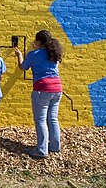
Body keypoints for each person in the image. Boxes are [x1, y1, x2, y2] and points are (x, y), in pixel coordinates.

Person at [14, 30, 64, 159]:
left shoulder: (33, 54)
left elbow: (23, 67)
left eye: (35, 40)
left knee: (40, 120)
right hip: (57, 88)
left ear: (39, 41)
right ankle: (54, 146)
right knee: (52, 119)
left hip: (42, 88)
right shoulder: (54, 54)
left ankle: (42, 150)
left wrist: (19, 55)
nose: (34, 42)